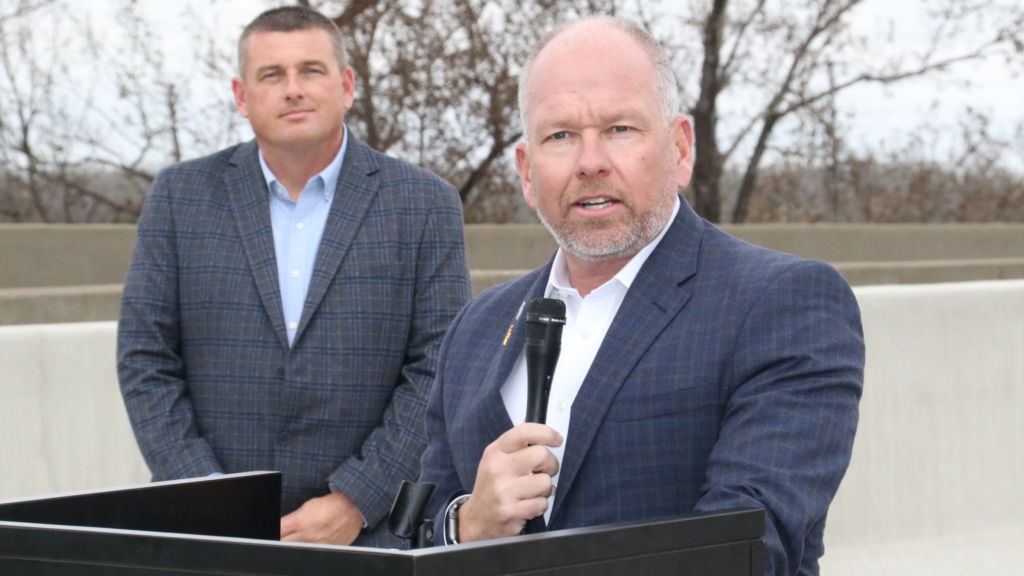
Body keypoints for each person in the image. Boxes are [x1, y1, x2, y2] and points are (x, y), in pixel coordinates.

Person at [418, 17, 863, 575]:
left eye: (620, 129)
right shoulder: (476, 328)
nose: (590, 161)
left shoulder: (783, 303)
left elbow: (747, 544)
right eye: (560, 136)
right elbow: (413, 530)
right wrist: (467, 527)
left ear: (679, 148)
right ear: (527, 173)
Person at [117, 6, 470, 548]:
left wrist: (357, 499)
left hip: (369, 534)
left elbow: (439, 368)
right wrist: (208, 495)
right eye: (272, 75)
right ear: (242, 96)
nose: (293, 90)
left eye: (311, 70)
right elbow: (146, 358)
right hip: (210, 533)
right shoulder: (178, 198)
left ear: (346, 86)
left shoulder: (425, 204)